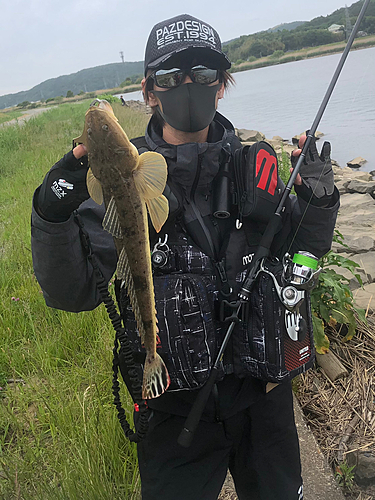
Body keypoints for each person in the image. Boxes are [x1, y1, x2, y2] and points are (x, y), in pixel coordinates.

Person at [31, 13, 339, 500]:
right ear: (150, 91)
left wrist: (318, 203)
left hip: (264, 402)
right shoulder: (118, 183)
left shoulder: (255, 166)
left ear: (223, 86)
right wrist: (51, 217)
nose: (189, 87)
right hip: (173, 409)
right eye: (172, 78)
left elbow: (299, 253)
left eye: (204, 74)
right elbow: (73, 292)